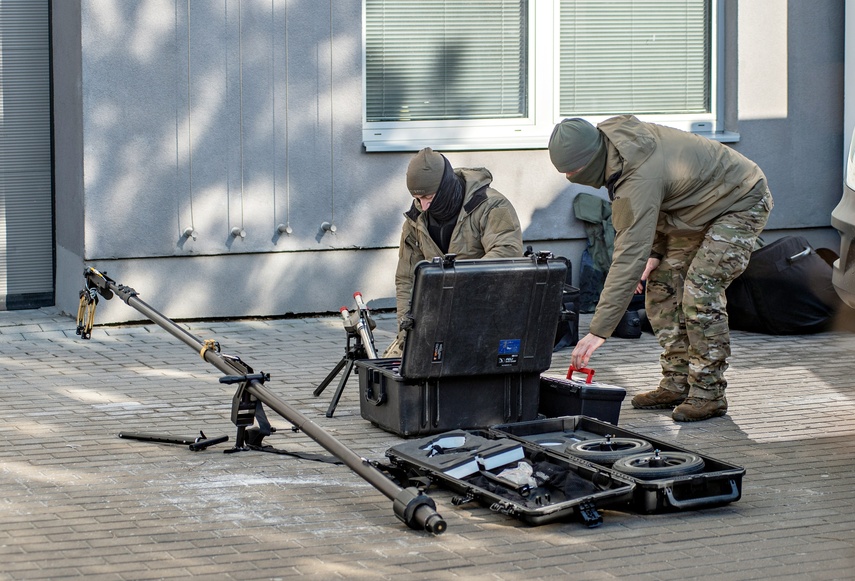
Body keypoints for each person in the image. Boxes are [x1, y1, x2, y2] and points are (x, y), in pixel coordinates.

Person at [548, 115, 774, 422]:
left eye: (572, 171)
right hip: (691, 211)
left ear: (591, 160)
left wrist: (599, 330)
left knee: (700, 291)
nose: (569, 177)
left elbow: (629, 254)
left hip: (739, 200)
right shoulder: (617, 158)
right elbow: (650, 210)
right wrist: (654, 252)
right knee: (661, 288)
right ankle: (677, 382)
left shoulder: (637, 174)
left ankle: (709, 393)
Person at [383, 147, 524, 357]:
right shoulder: (416, 219)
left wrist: (458, 289)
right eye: (418, 198)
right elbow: (407, 279)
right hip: (437, 316)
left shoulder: (490, 206)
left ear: (445, 187)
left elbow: (507, 254)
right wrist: (406, 331)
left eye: (429, 197)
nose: (425, 206)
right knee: (394, 369)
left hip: (486, 314)